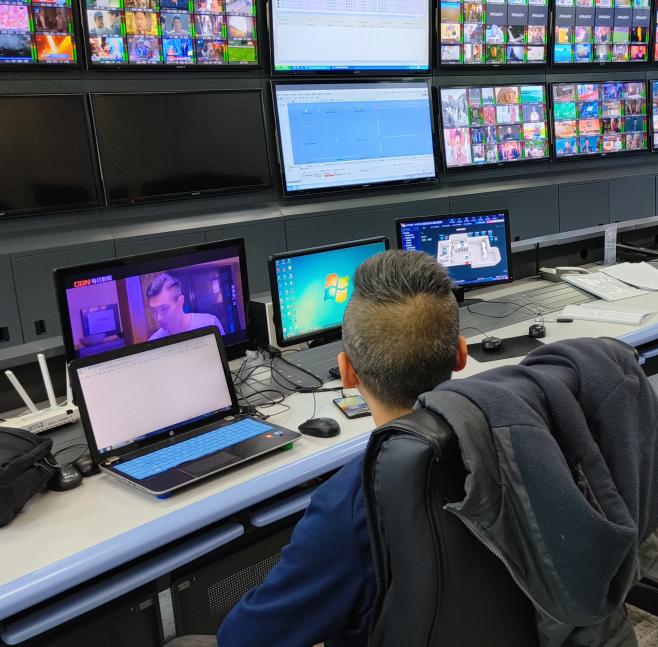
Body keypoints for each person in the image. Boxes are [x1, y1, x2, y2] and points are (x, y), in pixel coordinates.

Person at [165, 251, 469, 647]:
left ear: (346, 372)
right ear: (461, 354)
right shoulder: (509, 435)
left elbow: (243, 640)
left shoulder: (352, 504)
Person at [145, 273, 224, 341]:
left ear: (180, 301)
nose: (158, 318)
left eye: (164, 309)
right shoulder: (154, 341)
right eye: (154, 311)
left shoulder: (210, 324)